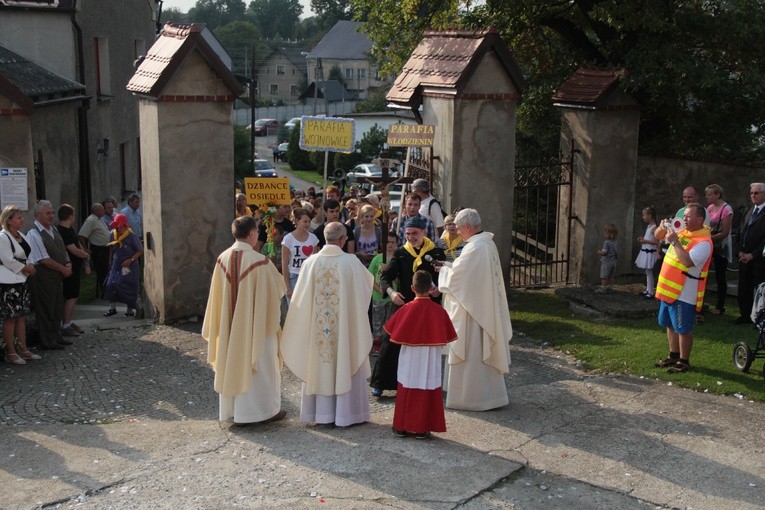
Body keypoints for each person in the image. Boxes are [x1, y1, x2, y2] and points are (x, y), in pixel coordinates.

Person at [280, 222, 374, 427]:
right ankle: (348, 415)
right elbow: (366, 291)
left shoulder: (310, 263)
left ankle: (319, 414)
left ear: (325, 238)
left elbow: (299, 300)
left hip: (317, 332)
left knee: (318, 362)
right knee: (346, 357)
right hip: (345, 331)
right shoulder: (351, 263)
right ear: (342, 239)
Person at [202, 216, 287, 425]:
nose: (258, 234)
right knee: (263, 365)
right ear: (251, 234)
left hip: (229, 326)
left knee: (230, 359)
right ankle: (263, 412)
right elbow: (279, 291)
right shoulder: (260, 262)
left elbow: (216, 297)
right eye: (257, 231)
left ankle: (234, 411)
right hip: (257, 327)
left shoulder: (222, 259)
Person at [437, 208, 511, 411]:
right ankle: (489, 396)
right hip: (480, 307)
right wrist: (451, 266)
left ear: (468, 227)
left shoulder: (474, 249)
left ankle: (471, 399)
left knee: (472, 354)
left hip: (473, 315)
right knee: (480, 356)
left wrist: (444, 271)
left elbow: (457, 281)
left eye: (459, 228)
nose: (457, 232)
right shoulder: (487, 243)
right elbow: (470, 275)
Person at [374, 217, 445, 397]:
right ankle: (382, 382)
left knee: (426, 345)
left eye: (414, 233)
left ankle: (426, 383)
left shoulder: (436, 253)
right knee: (391, 342)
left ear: (423, 232)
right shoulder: (401, 253)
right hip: (404, 303)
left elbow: (444, 278)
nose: (411, 237)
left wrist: (439, 290)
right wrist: (391, 293)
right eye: (407, 234)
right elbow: (385, 277)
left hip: (428, 306)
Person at [386, 270, 457, 439]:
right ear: (431, 288)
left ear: (412, 288)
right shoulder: (439, 312)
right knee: (427, 386)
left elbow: (390, 330)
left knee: (406, 386)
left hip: (410, 358)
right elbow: (449, 334)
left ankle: (401, 427)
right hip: (429, 359)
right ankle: (421, 429)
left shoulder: (406, 309)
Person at [653, 203, 712, 372]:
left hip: (685, 292)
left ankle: (684, 361)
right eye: (683, 215)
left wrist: (675, 242)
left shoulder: (704, 242)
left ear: (700, 219)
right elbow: (657, 236)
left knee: (683, 328)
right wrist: (662, 227)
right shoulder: (682, 231)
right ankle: (673, 356)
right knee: (669, 324)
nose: (683, 218)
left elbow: (686, 262)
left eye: (688, 216)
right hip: (669, 290)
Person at [26, 200, 73, 350]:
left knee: (56, 307)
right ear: (38, 215)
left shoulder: (53, 229)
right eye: (48, 213)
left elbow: (62, 249)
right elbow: (43, 259)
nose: (52, 215)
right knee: (46, 309)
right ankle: (47, 340)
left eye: (52, 212)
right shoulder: (34, 233)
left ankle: (55, 335)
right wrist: (63, 269)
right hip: (44, 278)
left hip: (57, 277)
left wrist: (68, 264)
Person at [0, 205, 39, 364]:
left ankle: (23, 349)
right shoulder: (3, 237)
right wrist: (25, 268)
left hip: (22, 280)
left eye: (22, 217)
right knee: (10, 317)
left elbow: (27, 253)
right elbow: (7, 259)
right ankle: (10, 352)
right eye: (18, 217)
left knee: (21, 316)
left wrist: (30, 266)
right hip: (9, 282)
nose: (22, 220)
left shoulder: (21, 235)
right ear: (9, 220)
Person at [57, 204, 90, 337]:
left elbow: (79, 245)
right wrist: (86, 255)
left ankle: (68, 321)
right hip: (69, 268)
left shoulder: (70, 229)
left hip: (76, 267)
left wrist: (85, 262)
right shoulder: (62, 231)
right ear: (70, 216)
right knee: (70, 296)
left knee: (74, 295)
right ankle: (65, 324)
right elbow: (73, 249)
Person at [734, 182, 765, 324]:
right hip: (743, 257)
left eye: (756, 193)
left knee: (758, 290)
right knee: (743, 288)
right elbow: (741, 231)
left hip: (758, 259)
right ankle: (745, 315)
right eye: (751, 193)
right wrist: (740, 251)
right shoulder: (749, 210)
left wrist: (753, 255)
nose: (753, 195)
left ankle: (758, 318)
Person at [103, 214, 143, 317]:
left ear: (125, 225)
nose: (117, 228)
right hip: (116, 264)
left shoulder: (132, 236)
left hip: (129, 266)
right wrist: (110, 260)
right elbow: (111, 247)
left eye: (119, 226)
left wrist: (131, 260)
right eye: (116, 227)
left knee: (129, 286)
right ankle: (112, 308)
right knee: (110, 284)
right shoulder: (113, 234)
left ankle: (130, 309)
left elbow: (140, 250)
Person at [704, 184, 734, 315]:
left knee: (720, 275)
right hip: (710, 243)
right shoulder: (709, 208)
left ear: (717, 195)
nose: (707, 197)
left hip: (721, 246)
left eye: (709, 194)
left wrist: (709, 239)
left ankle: (720, 306)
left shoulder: (727, 209)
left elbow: (725, 232)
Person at [368, 233, 397, 355]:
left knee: (390, 320)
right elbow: (370, 277)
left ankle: (388, 344)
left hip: (392, 297)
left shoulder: (398, 258)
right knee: (378, 321)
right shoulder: (377, 259)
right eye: (388, 242)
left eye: (392, 242)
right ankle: (377, 343)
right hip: (378, 296)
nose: (390, 245)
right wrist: (379, 290)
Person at [280, 208, 318, 300]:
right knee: (294, 309)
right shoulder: (288, 239)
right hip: (293, 276)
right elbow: (284, 264)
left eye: (309, 221)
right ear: (297, 221)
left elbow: (316, 261)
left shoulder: (313, 238)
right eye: (305, 221)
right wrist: (288, 287)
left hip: (309, 277)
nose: (308, 224)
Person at [78, 202, 111, 296]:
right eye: (101, 209)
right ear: (96, 211)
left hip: (105, 248)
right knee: (102, 270)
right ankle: (104, 292)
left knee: (106, 269)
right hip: (98, 249)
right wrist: (85, 248)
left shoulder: (99, 219)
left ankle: (107, 290)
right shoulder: (91, 220)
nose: (104, 211)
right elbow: (81, 235)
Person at [635, 207, 658, 299]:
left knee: (649, 272)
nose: (643, 217)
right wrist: (643, 239)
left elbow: (657, 241)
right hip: (645, 251)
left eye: (644, 215)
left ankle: (651, 292)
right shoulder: (649, 227)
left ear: (650, 215)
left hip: (650, 253)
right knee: (647, 272)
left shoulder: (654, 228)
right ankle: (648, 290)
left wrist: (646, 241)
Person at [596, 223, 618, 293]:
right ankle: (610, 287)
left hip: (606, 261)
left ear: (609, 233)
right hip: (613, 261)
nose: (604, 234)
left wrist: (599, 252)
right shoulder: (615, 242)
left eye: (605, 232)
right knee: (611, 275)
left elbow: (604, 252)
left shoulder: (606, 243)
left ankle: (603, 288)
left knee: (604, 275)